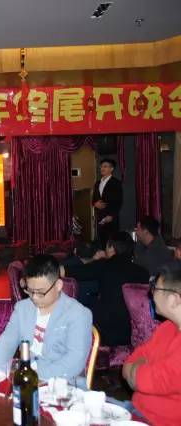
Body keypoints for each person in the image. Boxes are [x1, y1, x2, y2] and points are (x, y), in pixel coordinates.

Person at [0, 255, 92, 380]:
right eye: (30, 290)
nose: (34, 297)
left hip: (63, 384)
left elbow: (74, 362)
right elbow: (6, 344)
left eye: (40, 292)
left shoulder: (78, 314)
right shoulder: (22, 308)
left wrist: (33, 376)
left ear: (58, 285)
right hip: (27, 381)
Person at [62, 232, 149, 347]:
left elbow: (74, 272)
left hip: (105, 331)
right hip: (132, 331)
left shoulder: (104, 265)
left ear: (112, 248)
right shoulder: (143, 272)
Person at [122, 262, 181, 425]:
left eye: (156, 288)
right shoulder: (167, 327)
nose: (151, 293)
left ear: (174, 300)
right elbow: (128, 364)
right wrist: (139, 368)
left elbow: (146, 380)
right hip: (135, 410)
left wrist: (137, 369)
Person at [92, 158, 122, 248]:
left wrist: (111, 215)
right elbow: (93, 199)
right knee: (102, 242)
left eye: (105, 166)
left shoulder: (116, 183)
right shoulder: (97, 183)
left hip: (110, 218)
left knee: (112, 243)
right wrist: (95, 204)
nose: (102, 168)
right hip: (100, 217)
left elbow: (119, 201)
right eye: (101, 166)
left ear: (111, 169)